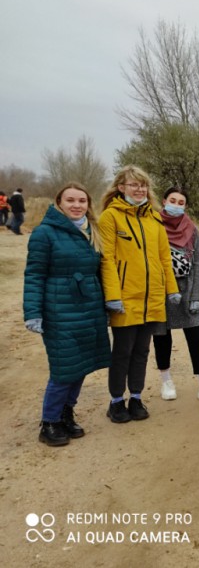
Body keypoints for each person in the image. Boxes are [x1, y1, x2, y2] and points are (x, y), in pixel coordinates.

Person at [23, 182, 112, 446]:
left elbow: (100, 272)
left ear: (88, 204)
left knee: (81, 365)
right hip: (59, 309)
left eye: (82, 201)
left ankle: (66, 414)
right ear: (59, 203)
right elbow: (34, 274)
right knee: (64, 369)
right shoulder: (44, 233)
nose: (76, 205)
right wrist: (33, 313)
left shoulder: (92, 231)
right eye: (71, 200)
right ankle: (49, 422)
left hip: (89, 307)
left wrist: (106, 305)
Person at [99, 166, 181, 423]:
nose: (139, 189)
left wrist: (171, 289)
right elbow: (107, 260)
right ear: (121, 187)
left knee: (142, 351)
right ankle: (116, 402)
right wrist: (112, 295)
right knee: (122, 350)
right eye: (133, 185)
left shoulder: (154, 218)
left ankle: (135, 397)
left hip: (152, 297)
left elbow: (164, 258)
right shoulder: (110, 217)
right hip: (125, 297)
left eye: (143, 185)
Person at [151, 187, 199, 405]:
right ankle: (166, 381)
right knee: (161, 337)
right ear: (164, 201)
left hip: (188, 289)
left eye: (181, 202)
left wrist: (198, 295)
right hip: (161, 291)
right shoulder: (153, 226)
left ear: (185, 206)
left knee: (197, 338)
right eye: (173, 200)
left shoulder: (192, 230)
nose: (176, 205)